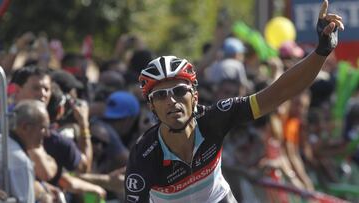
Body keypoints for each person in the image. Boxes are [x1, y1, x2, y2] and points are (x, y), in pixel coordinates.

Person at [124, 1, 344, 202]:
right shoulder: (144, 156)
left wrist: (321, 52)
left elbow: (279, 92)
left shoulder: (214, 119)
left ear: (195, 96)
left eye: (180, 91)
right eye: (161, 95)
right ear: (151, 105)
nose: (172, 100)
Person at [8, 100, 50, 203]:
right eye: (43, 128)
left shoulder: (4, 143)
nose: (47, 134)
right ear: (25, 127)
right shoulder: (20, 161)